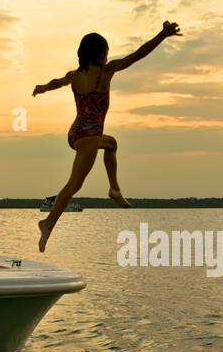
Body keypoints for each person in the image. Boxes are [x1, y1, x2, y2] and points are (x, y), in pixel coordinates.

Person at [31, 21, 182, 251]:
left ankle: (115, 189)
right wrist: (162, 35)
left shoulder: (74, 75)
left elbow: (56, 82)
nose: (107, 56)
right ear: (101, 54)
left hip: (76, 133)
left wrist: (42, 87)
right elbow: (138, 54)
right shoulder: (106, 72)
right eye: (106, 53)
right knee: (74, 184)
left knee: (112, 144)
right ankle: (48, 223)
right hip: (90, 136)